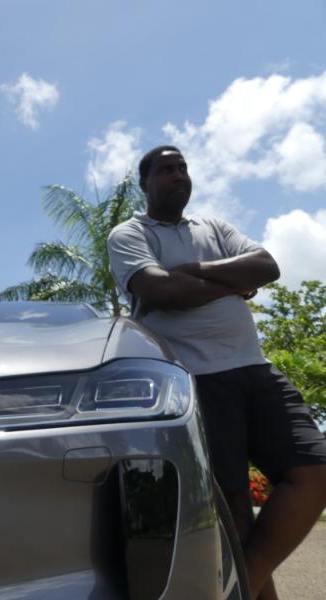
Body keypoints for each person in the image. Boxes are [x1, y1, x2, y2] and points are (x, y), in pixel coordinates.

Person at [106, 145, 326, 600]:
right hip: (198, 379)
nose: (178, 175)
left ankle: (234, 591)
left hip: (256, 369)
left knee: (315, 472)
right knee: (235, 511)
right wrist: (232, 283)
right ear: (145, 183)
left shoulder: (215, 228)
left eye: (183, 168)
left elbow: (266, 266)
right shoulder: (129, 234)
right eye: (166, 170)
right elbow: (158, 289)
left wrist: (193, 270)